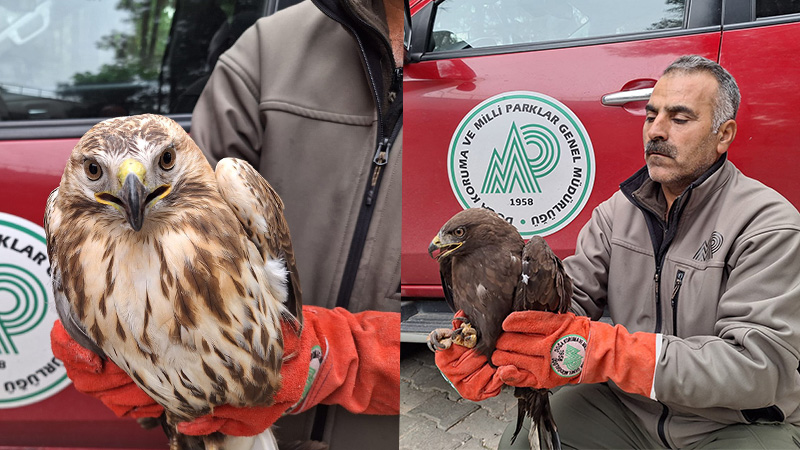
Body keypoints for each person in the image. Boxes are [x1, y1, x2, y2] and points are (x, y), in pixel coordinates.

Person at [51, 0, 403, 449]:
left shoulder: (495, 45)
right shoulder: (267, 48)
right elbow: (195, 194)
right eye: (98, 173)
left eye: (161, 162)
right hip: (224, 420)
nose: (133, 187)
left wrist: (340, 359)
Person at [435, 55, 800, 449]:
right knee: (527, 443)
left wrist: (611, 353)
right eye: (650, 116)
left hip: (733, 422)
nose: (656, 131)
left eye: (679, 119)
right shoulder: (616, 214)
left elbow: (758, 371)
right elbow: (564, 306)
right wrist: (489, 339)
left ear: (723, 134)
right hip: (628, 406)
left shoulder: (768, 225)